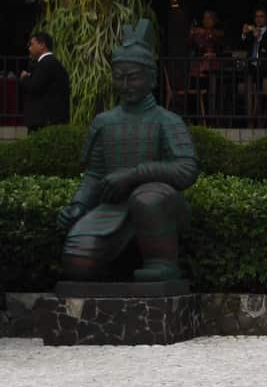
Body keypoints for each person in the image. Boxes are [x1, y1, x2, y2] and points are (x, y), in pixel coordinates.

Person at [57, 20, 197, 283]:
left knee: (148, 197)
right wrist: (78, 205)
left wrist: (133, 175)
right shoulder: (104, 122)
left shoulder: (167, 121)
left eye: (132, 76)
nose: (125, 84)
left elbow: (186, 170)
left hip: (161, 206)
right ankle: (117, 267)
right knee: (78, 262)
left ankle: (162, 262)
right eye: (119, 76)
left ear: (151, 78)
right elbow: (95, 173)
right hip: (112, 210)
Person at [18, 31, 70, 132]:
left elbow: (34, 87)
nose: (29, 48)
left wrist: (24, 78)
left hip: (45, 122)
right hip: (49, 120)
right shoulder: (50, 63)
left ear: (42, 45)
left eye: (32, 44)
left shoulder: (46, 63)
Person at [239, 7, 267, 126]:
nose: (258, 19)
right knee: (249, 94)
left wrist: (259, 37)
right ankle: (250, 121)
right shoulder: (252, 32)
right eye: (256, 16)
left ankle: (261, 122)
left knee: (264, 96)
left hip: (266, 68)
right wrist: (244, 34)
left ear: (266, 19)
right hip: (252, 67)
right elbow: (243, 45)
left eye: (261, 16)